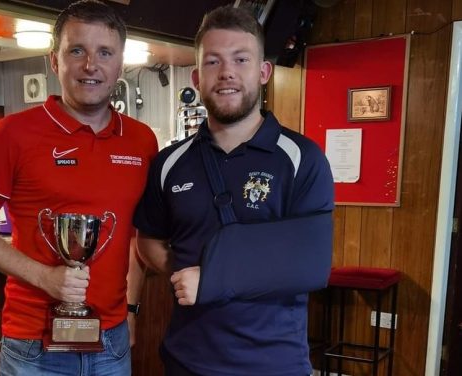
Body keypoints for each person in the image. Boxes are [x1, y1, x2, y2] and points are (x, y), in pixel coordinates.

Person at [0, 1, 158, 374]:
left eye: (105, 52)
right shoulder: (12, 134)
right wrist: (45, 277)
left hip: (111, 340)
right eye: (76, 50)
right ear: (54, 60)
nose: (90, 65)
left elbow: (135, 237)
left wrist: (131, 309)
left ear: (120, 63)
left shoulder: (142, 141)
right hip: (34, 345)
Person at [133, 4, 334, 376]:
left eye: (240, 60)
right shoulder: (169, 164)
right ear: (196, 76)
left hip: (274, 364)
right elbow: (148, 241)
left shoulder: (302, 159)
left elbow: (312, 265)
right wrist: (180, 272)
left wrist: (211, 280)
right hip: (187, 360)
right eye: (213, 62)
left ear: (263, 72)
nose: (226, 73)